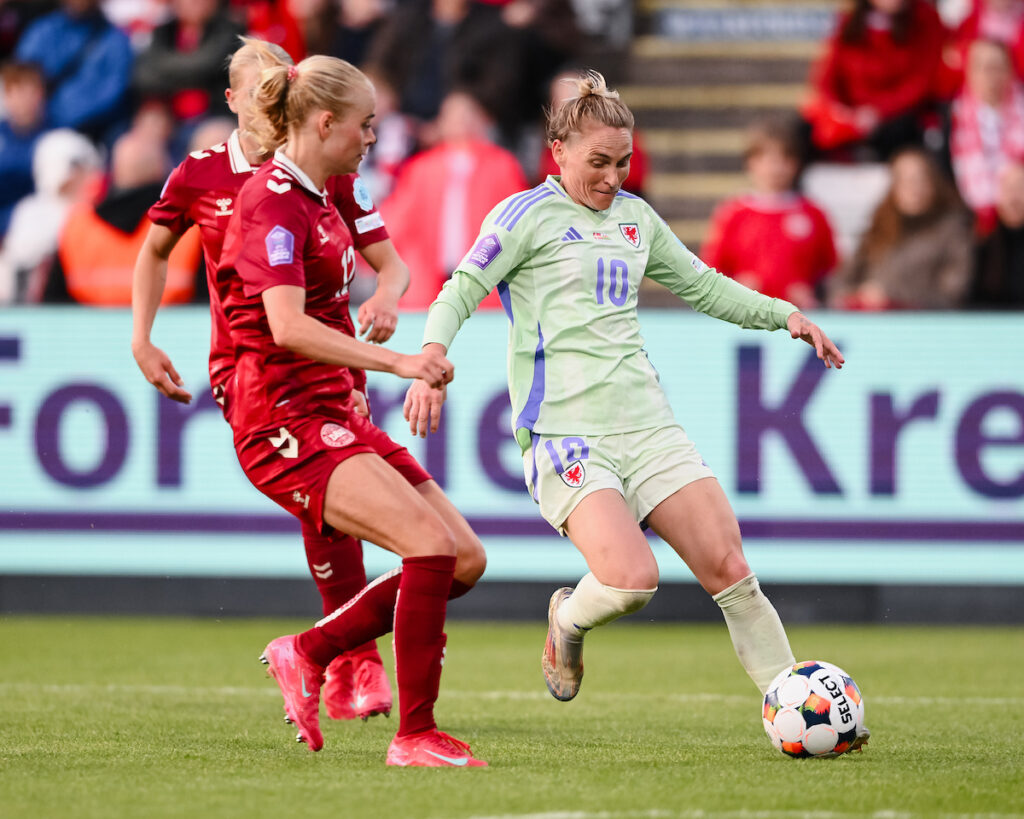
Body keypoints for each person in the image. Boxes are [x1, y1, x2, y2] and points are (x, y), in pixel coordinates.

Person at [403, 70, 867, 751]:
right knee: (631, 580)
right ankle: (568, 619)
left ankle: (792, 715)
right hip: (565, 433)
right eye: (598, 162)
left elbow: (704, 285)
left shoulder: (636, 219)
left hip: (648, 425)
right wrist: (429, 359)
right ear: (558, 150)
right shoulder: (523, 216)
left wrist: (785, 316)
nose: (612, 176)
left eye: (622, 162)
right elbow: (460, 289)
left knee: (730, 568)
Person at [215, 49, 488, 766]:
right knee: (429, 548)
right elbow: (287, 326)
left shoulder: (324, 189)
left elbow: (381, 269)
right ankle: (415, 735)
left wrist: (385, 301)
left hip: (331, 407)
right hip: (281, 418)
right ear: (326, 121)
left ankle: (307, 651)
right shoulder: (272, 199)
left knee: (462, 558)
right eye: (366, 125)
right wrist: (400, 362)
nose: (373, 137)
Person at [131, 38, 408, 724]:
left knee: (340, 502)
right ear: (234, 100)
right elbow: (154, 252)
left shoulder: (328, 174)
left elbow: (389, 261)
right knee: (326, 495)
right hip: (251, 367)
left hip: (333, 357)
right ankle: (349, 657)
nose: (270, 107)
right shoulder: (199, 175)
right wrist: (141, 336)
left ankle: (347, 658)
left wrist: (387, 296)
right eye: (259, 94)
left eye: (280, 92)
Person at [380, 90, 527, 310]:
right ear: (441, 122)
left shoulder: (502, 165)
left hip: (485, 275)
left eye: (466, 115)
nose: (461, 123)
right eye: (453, 116)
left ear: (481, 120)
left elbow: (521, 219)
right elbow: (398, 218)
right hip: (430, 277)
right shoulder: (421, 167)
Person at [701, 114, 837, 309]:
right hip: (744, 318)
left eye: (784, 159)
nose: (775, 168)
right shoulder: (732, 212)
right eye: (765, 159)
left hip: (799, 318)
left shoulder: (813, 213)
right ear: (750, 163)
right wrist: (734, 288)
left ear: (795, 164)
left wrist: (814, 293)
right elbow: (710, 269)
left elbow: (830, 270)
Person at [801, 0, 954, 160]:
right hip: (850, 116)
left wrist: (878, 112)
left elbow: (922, 81)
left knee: (901, 132)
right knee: (804, 132)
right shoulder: (848, 20)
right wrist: (842, 112)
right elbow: (826, 76)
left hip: (898, 115)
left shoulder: (925, 19)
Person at [828, 146, 973, 309]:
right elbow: (840, 282)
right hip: (872, 323)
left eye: (921, 179)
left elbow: (953, 293)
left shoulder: (952, 230)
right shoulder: (879, 227)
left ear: (934, 183)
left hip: (924, 325)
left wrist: (892, 298)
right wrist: (856, 295)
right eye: (905, 180)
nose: (914, 188)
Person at [14, 0, 133, 145]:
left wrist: (58, 118)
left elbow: (113, 94)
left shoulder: (115, 39)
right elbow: (19, 78)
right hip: (33, 130)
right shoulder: (42, 31)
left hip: (88, 135)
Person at [948, 38, 1024, 235]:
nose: (987, 75)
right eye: (980, 66)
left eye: (995, 67)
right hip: (974, 214)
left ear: (1009, 71)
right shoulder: (953, 115)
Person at [0, 60, 48, 238]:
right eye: (15, 91)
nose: (23, 99)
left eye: (30, 92)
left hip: (28, 228)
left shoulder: (53, 139)